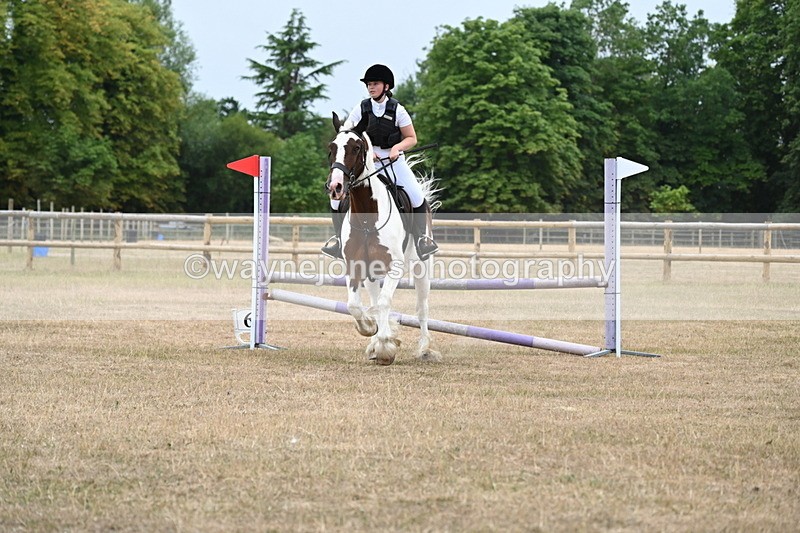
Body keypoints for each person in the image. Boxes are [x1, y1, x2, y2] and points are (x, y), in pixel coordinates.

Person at [322, 64, 439, 261]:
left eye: (374, 83)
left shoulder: (398, 110)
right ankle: (339, 240)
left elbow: (411, 138)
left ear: (386, 86)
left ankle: (422, 239)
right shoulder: (361, 108)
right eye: (368, 84)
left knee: (416, 196)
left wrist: (396, 148)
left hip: (394, 161)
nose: (370, 87)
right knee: (335, 197)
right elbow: (348, 132)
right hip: (368, 163)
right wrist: (367, 151)